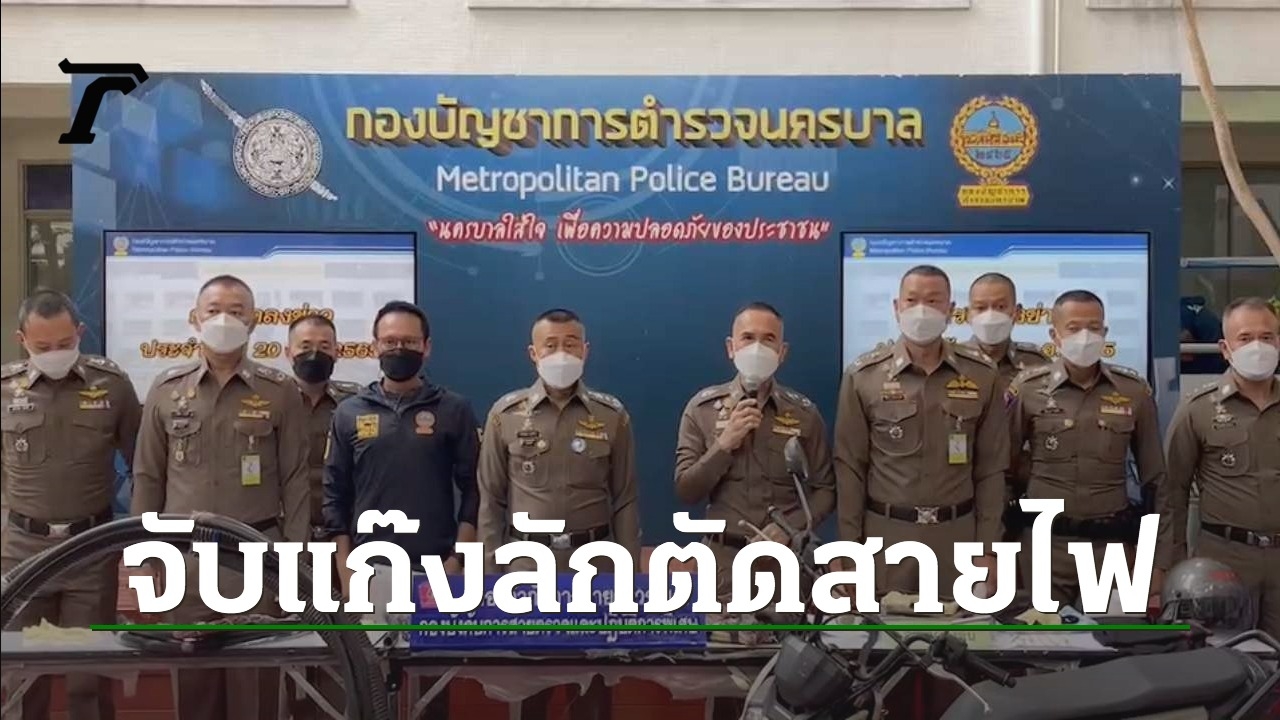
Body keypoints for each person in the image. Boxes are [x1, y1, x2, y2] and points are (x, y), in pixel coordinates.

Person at [131, 274, 310, 720]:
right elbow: (147, 477)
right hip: (185, 562)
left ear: (253, 321)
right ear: (195, 318)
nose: (224, 319)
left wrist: (293, 564)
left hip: (256, 560)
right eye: (213, 311)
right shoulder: (166, 388)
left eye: (236, 311)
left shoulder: (279, 390)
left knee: (257, 689)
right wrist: (147, 558)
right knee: (195, 687)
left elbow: (296, 482)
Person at [674, 301, 835, 720]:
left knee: (788, 684)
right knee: (722, 684)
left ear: (783, 351)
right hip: (723, 569)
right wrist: (723, 444)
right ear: (731, 347)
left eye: (768, 339)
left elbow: (825, 491)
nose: (757, 347)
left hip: (784, 571)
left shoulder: (803, 414)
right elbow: (686, 489)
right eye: (748, 338)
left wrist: (791, 528)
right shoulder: (702, 409)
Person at [477, 308, 638, 720]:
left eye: (570, 344)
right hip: (526, 570)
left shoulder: (611, 415)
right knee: (530, 694)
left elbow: (625, 499)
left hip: (595, 569)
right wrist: (490, 579)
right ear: (533, 353)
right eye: (550, 345)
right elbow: (491, 501)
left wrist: (629, 580)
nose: (561, 353)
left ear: (586, 350)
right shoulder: (505, 414)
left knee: (594, 695)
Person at [321, 300, 478, 719]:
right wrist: (346, 571)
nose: (399, 349)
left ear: (427, 347)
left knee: (432, 693)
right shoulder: (349, 412)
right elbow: (335, 495)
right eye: (390, 341)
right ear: (375, 346)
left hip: (435, 570)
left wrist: (458, 560)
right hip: (369, 573)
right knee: (370, 690)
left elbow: (474, 491)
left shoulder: (454, 409)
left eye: (408, 341)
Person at [1, 289, 141, 720]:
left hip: (91, 550)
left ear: (80, 333)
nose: (55, 354)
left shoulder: (112, 385)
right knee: (22, 678)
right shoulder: (4, 390)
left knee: (89, 678)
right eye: (43, 347)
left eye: (64, 343)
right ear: (22, 340)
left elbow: (143, 464)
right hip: (22, 551)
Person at [834, 265, 1007, 599]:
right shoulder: (863, 376)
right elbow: (850, 468)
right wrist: (849, 549)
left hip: (958, 539)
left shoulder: (983, 375)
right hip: (885, 539)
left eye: (933, 300)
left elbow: (992, 470)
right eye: (912, 300)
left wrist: (988, 549)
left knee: (958, 629)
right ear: (896, 307)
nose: (921, 310)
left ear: (951, 310)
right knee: (883, 630)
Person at [1006, 289, 1167, 609]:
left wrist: (1158, 563)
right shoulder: (1028, 389)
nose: (1085, 336)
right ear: (1055, 335)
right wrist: (999, 548)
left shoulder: (1133, 392)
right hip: (1043, 550)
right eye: (1074, 328)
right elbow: (1000, 473)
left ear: (1105, 332)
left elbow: (1157, 483)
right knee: (1041, 636)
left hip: (1111, 550)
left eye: (1094, 328)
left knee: (1111, 637)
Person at [1159, 296, 1279, 635]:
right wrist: (1173, 565)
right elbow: (1173, 492)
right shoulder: (1197, 409)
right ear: (1225, 349)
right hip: (1224, 561)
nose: (1258, 347)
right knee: (1222, 654)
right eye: (1245, 338)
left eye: (1267, 337)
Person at [283, 312, 359, 720]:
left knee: (343, 650)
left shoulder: (356, 403)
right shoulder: (271, 400)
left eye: (324, 347)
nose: (314, 354)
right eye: (305, 347)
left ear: (338, 352)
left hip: (341, 546)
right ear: (288, 352)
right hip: (285, 545)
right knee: (286, 649)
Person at [963, 272, 1051, 549]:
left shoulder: (1037, 365)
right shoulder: (953, 363)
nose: (990, 315)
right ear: (968, 313)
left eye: (1000, 306)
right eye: (981, 307)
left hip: (1024, 496)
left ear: (1017, 312)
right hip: (967, 495)